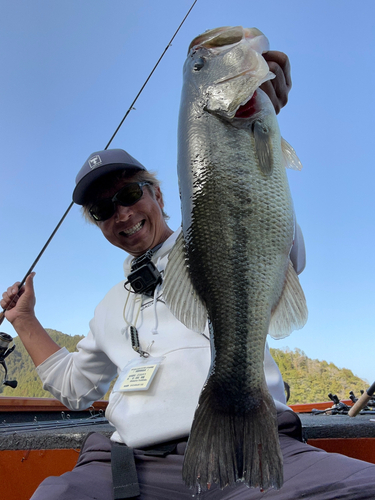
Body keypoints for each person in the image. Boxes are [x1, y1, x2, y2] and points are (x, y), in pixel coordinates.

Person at [2, 52, 375, 500]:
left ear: (157, 193)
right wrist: (24, 320)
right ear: (99, 225)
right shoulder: (107, 307)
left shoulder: (216, 234)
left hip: (249, 450)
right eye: (103, 209)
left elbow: (277, 242)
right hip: (130, 467)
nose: (122, 213)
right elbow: (75, 387)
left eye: (129, 193)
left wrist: (260, 117)